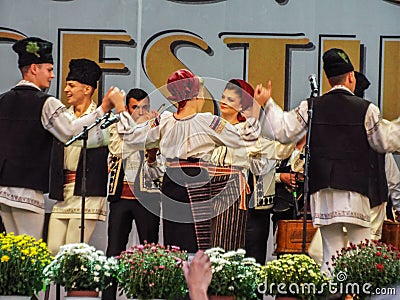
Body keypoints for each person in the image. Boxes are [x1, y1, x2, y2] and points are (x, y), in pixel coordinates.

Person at [254, 48, 400, 273]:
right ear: (351, 76)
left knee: (330, 257)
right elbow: (384, 141)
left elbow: (284, 131)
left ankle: (331, 293)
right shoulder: (366, 109)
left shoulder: (311, 107)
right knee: (359, 254)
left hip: (323, 194)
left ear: (328, 79)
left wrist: (268, 103)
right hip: (355, 192)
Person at [113, 69, 259, 253]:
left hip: (172, 178)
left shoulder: (163, 121)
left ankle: (180, 275)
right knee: (195, 238)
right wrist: (254, 111)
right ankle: (194, 277)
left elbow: (129, 135)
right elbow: (245, 137)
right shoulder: (207, 121)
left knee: (178, 239)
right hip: (196, 178)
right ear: (195, 96)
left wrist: (121, 110)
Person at [0, 37, 121, 240]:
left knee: (14, 251)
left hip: (3, 188)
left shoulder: (2, 100)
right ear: (33, 69)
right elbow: (70, 132)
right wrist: (104, 109)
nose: (52, 76)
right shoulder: (46, 103)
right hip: (27, 190)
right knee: (32, 252)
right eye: (48, 69)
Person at [101, 88, 162, 300]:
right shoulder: (117, 125)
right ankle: (108, 297)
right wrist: (140, 134)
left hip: (148, 199)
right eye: (135, 107)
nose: (140, 111)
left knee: (149, 252)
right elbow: (118, 150)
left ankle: (147, 296)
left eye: (144, 107)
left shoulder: (156, 126)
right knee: (114, 250)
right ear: (127, 108)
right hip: (121, 197)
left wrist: (150, 132)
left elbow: (158, 163)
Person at [46, 58, 109, 255]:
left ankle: (78, 287)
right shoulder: (63, 117)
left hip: (87, 191)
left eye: (72, 85)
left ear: (87, 89)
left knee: (72, 252)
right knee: (52, 249)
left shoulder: (102, 119)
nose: (66, 89)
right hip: (63, 191)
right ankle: (51, 287)